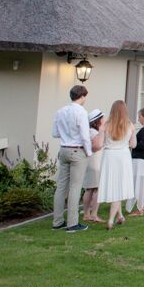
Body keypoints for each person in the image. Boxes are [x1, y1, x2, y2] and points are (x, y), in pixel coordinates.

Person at [51, 85, 94, 232]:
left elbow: (55, 133)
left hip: (64, 149)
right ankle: (72, 223)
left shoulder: (60, 111)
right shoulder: (81, 112)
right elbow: (85, 135)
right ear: (81, 96)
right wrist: (89, 152)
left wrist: (66, 134)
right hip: (77, 150)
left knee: (61, 186)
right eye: (85, 96)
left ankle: (57, 221)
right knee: (75, 187)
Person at [97, 100, 136, 231]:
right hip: (123, 156)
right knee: (118, 188)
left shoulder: (105, 126)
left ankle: (120, 216)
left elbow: (100, 144)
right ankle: (111, 220)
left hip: (109, 156)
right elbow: (133, 144)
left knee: (114, 186)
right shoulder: (130, 125)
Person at [127, 108, 144, 216]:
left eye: (139, 117)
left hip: (141, 162)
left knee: (139, 184)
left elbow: (143, 145)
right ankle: (142, 207)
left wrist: (131, 144)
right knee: (142, 184)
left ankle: (140, 209)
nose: (138, 119)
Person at [81, 109, 106, 223]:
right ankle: (93, 214)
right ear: (97, 121)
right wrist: (102, 131)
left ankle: (87, 214)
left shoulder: (90, 131)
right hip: (95, 162)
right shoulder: (94, 132)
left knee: (90, 189)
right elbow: (97, 146)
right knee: (96, 189)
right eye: (102, 118)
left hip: (91, 162)